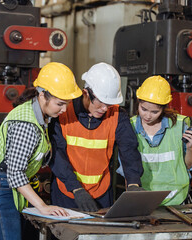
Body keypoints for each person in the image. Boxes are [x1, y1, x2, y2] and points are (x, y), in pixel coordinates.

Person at [0, 62, 82, 240]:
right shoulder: (26, 124)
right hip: (0, 186)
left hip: (10, 185)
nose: (64, 110)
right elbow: (15, 173)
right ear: (42, 95)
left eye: (67, 104)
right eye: (60, 104)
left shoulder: (40, 115)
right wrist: (43, 206)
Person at [49, 62, 144, 212]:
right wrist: (75, 188)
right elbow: (57, 155)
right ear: (86, 93)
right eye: (100, 103)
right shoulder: (63, 112)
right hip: (66, 191)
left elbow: (129, 151)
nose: (105, 108)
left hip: (101, 193)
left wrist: (133, 183)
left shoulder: (118, 116)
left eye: (109, 104)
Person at [117, 75, 192, 206]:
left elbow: (188, 166)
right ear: (138, 102)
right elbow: (127, 170)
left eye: (154, 111)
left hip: (175, 200)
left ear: (163, 108)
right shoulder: (130, 126)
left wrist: (190, 147)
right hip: (143, 200)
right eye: (143, 109)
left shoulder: (179, 126)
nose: (147, 116)